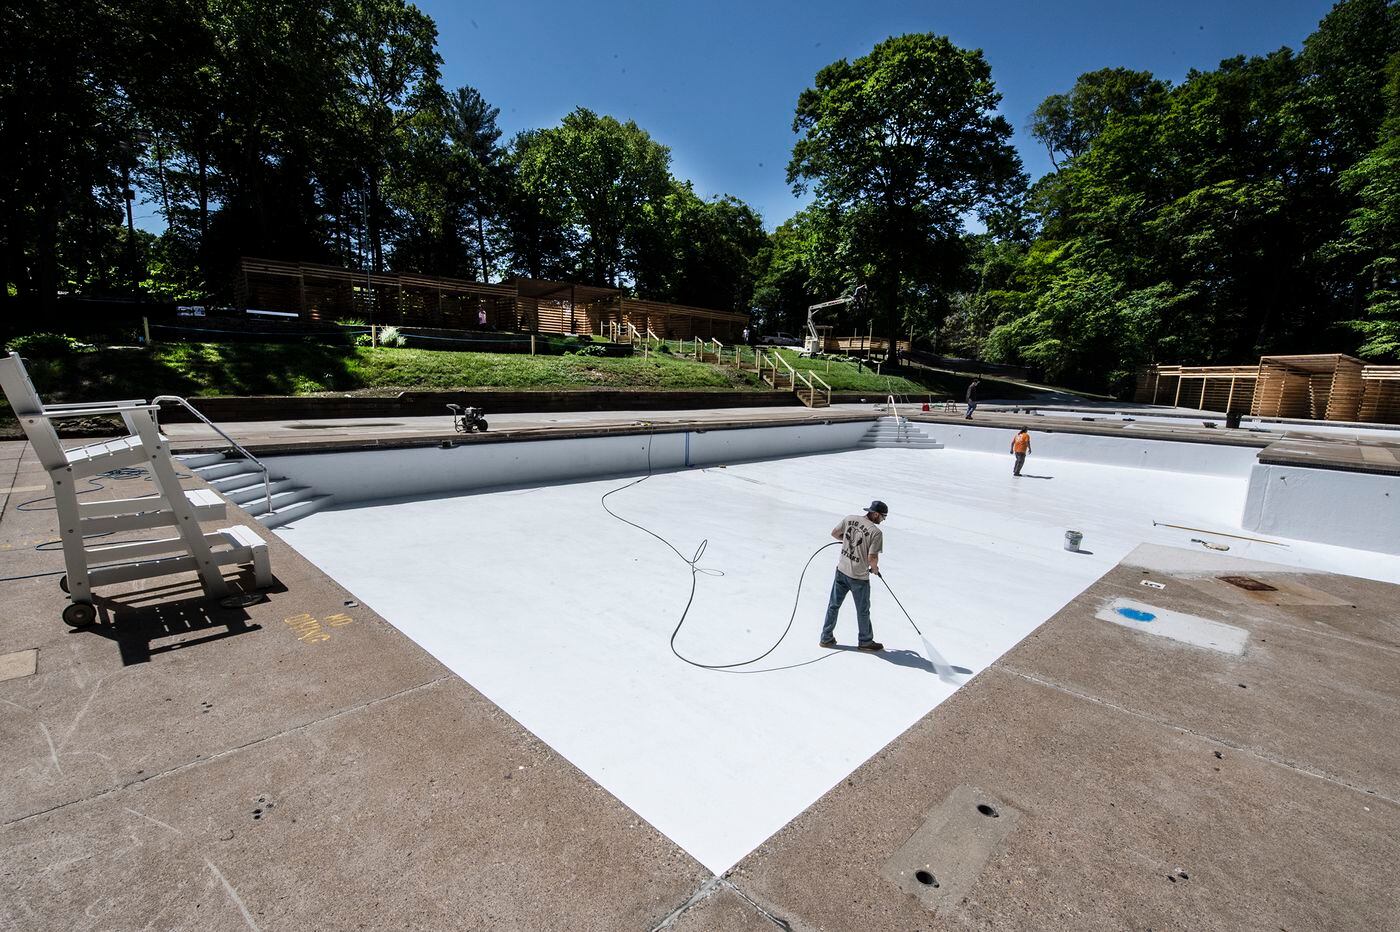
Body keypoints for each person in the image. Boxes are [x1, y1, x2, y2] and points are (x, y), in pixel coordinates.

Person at [820, 500, 887, 651]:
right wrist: (875, 569)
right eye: (883, 517)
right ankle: (865, 641)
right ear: (876, 514)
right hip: (859, 577)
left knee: (833, 605)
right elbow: (872, 558)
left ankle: (826, 638)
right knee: (863, 610)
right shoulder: (876, 533)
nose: (883, 520)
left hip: (841, 570)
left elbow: (834, 533)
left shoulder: (850, 518)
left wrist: (847, 542)